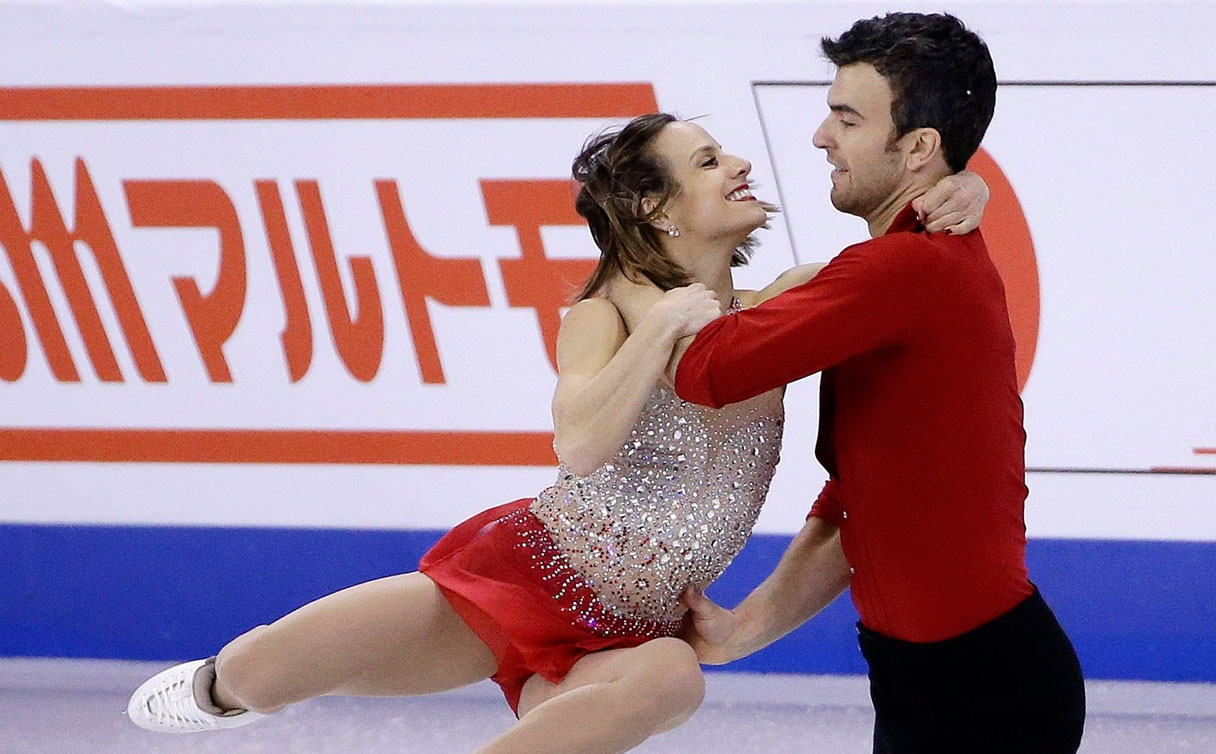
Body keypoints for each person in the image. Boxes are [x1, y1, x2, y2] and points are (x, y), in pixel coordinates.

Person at [125, 113, 987, 754]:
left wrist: (962, 188)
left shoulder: (785, 304)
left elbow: (896, 267)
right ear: (655, 206)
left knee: (674, 677)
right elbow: (578, 444)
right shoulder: (601, 314)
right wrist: (658, 331)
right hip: (522, 578)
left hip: (636, 626)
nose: (740, 163)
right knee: (257, 674)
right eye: (708, 159)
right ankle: (216, 688)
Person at [672, 13, 1087, 754]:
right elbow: (856, 505)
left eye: (847, 117)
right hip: (931, 688)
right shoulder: (919, 258)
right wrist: (745, 628)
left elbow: (708, 371)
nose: (821, 136)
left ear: (919, 147)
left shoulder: (906, 269)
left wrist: (646, 269)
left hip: (987, 694)